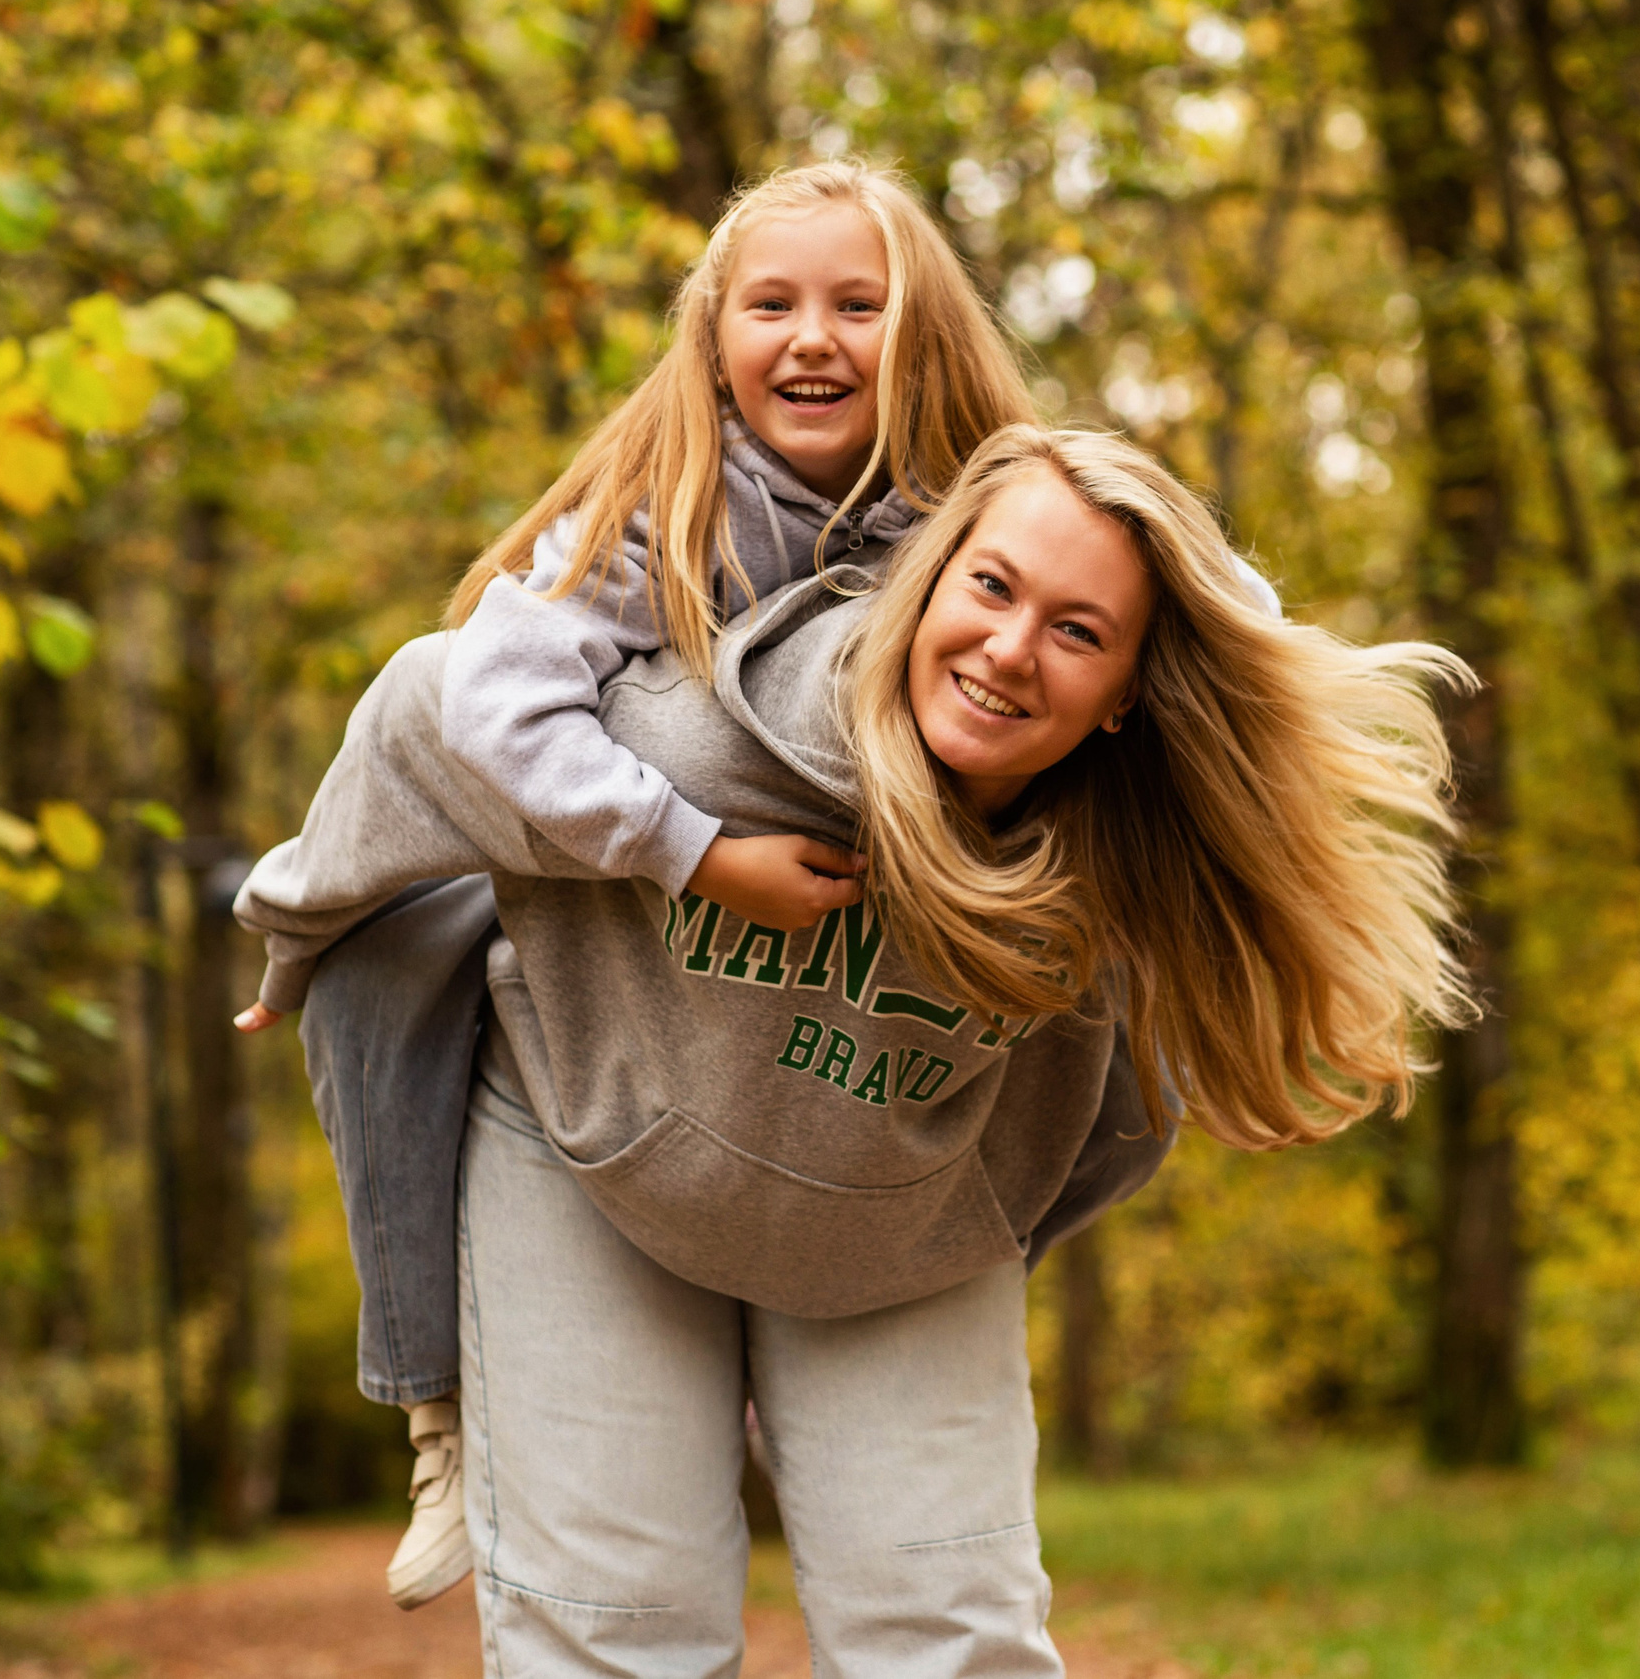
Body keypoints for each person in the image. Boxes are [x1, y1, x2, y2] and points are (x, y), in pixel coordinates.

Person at [236, 426, 1471, 1672]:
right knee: (615, 1625)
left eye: (1080, 632)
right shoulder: (702, 739)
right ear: (925, 576)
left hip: (898, 1216)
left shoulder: (1121, 866)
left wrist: (985, 1219)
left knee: (947, 1633)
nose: (1008, 650)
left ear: (1126, 697)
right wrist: (289, 932)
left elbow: (1124, 1115)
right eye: (989, 587)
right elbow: (421, 712)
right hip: (590, 1142)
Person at [235, 157, 1033, 1607]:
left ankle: (742, 1348)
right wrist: (696, 851)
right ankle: (436, 1403)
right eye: (772, 303)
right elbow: (482, 712)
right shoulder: (667, 506)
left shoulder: (975, 524)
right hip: (601, 924)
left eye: (861, 303)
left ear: (922, 333)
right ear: (713, 336)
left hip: (833, 1046)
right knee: (383, 984)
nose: (813, 336)